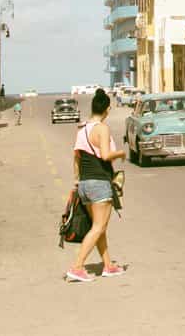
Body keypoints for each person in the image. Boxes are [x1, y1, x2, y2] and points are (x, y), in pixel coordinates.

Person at [67, 88, 126, 283]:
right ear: (107, 109)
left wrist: (77, 182)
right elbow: (106, 155)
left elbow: (76, 158)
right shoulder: (102, 128)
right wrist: (122, 154)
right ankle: (77, 267)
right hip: (99, 182)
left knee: (98, 227)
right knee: (99, 227)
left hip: (84, 183)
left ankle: (108, 266)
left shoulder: (82, 129)